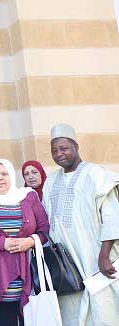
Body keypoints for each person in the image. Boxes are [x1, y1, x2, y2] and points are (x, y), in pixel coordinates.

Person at [42, 123, 119, 325]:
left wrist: (104, 255)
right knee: (72, 313)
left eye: (64, 148)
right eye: (54, 150)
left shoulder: (96, 175)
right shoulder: (50, 181)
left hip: (94, 258)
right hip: (66, 265)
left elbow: (113, 217)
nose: (59, 154)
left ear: (76, 147)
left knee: (103, 311)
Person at [0, 159, 50, 326]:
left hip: (26, 268)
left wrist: (30, 241)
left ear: (11, 175)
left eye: (4, 173)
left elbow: (44, 228)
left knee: (29, 316)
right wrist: (1, 242)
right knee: (3, 317)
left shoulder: (28, 196)